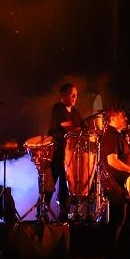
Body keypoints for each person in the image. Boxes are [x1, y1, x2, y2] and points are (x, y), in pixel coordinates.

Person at [98, 107, 130, 259]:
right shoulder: (111, 136)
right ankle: (111, 254)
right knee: (120, 219)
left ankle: (127, 252)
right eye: (121, 116)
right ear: (112, 118)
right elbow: (112, 160)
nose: (125, 119)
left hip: (123, 185)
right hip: (116, 184)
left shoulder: (118, 136)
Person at [47, 83, 80, 219]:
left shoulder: (76, 112)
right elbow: (66, 126)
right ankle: (42, 211)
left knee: (66, 184)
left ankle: (63, 215)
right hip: (57, 151)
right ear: (64, 95)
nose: (74, 98)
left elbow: (82, 126)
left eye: (76, 96)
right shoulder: (58, 108)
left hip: (70, 155)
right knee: (51, 183)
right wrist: (76, 129)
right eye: (72, 95)